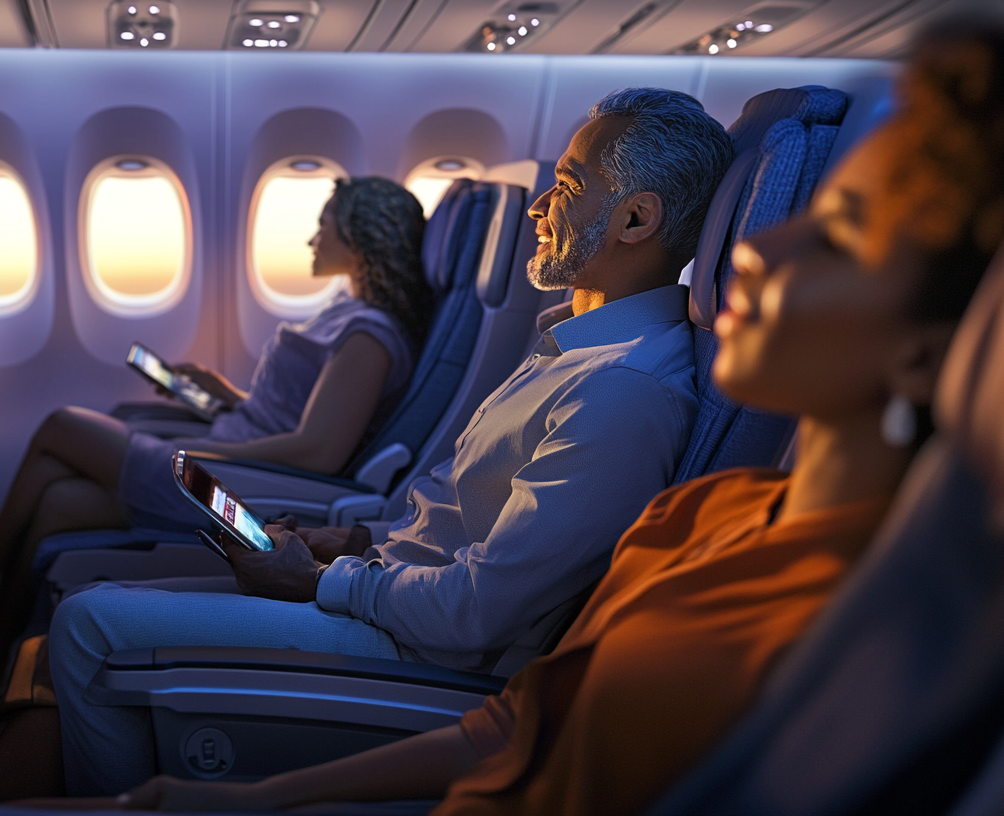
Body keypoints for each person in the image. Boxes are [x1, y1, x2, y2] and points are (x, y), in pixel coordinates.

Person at [96, 22, 999, 814]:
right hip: (401, 614)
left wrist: (322, 583)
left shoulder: (869, 633)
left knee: (92, 622)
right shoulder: (694, 516)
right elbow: (520, 727)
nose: (753, 252)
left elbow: (489, 635)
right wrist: (255, 794)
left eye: (835, 234)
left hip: (415, 645)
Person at [0, 86, 734, 800]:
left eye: (567, 188)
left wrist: (323, 579)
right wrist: (362, 543)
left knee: (88, 623)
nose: (541, 207)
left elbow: (480, 616)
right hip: (384, 582)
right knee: (102, 577)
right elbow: (466, 526)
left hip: (425, 656)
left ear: (635, 220)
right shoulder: (566, 343)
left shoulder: (622, 392)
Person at [0, 176, 433, 711]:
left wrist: (209, 457)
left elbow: (319, 452)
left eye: (324, 227)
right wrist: (229, 398)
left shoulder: (369, 335)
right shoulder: (345, 310)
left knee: (63, 426)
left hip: (240, 481)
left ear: (361, 240)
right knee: (55, 503)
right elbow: (296, 411)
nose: (312, 239)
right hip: (233, 449)